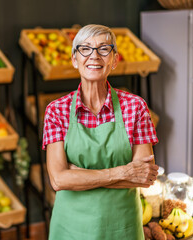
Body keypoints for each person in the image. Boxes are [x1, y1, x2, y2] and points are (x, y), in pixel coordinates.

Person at [42, 24, 159, 240]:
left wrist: (77, 174)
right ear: (74, 59)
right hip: (70, 228)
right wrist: (123, 172)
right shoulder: (56, 111)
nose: (94, 56)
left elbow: (143, 177)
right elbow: (58, 180)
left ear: (114, 60)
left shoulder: (135, 107)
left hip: (122, 227)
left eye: (104, 49)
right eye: (85, 49)